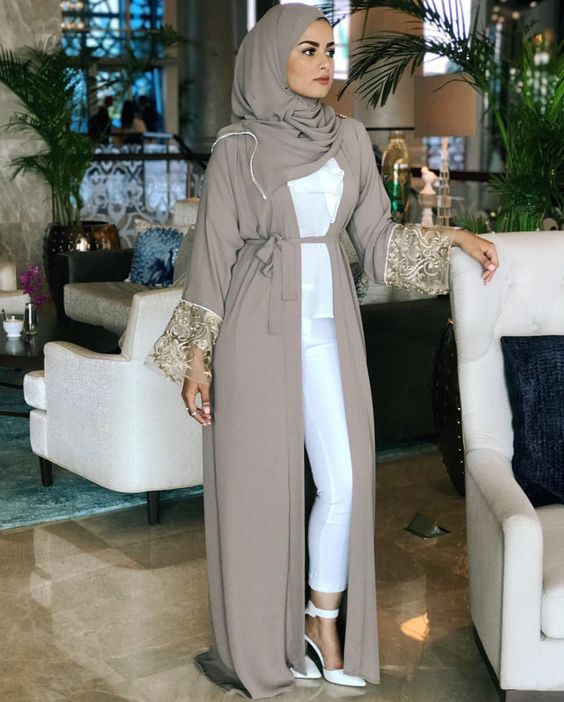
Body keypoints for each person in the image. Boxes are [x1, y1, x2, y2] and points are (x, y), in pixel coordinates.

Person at [148, 5, 498, 699]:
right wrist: (196, 359)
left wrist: (453, 238)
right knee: (259, 492)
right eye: (307, 49)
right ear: (271, 56)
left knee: (345, 481)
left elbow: (378, 243)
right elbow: (212, 260)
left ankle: (322, 623)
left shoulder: (349, 138)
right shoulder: (240, 148)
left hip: (329, 330)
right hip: (253, 331)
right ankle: (259, 645)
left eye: (329, 50)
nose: (324, 62)